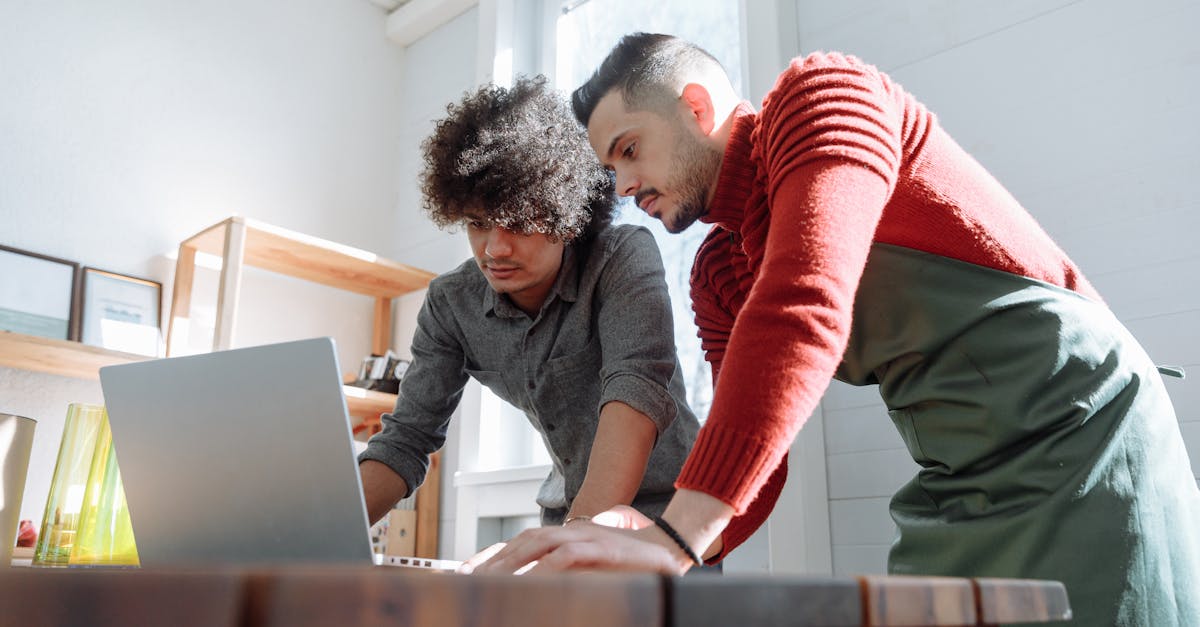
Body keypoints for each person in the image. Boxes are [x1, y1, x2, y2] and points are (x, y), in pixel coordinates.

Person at [468, 33, 1200, 626]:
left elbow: (804, 301)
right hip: (961, 482)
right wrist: (657, 537)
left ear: (695, 106)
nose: (623, 187)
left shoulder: (821, 98)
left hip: (1086, 431)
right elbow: (762, 456)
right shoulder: (718, 274)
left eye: (629, 149)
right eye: (610, 168)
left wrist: (676, 536)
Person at [358, 75, 700, 533]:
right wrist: (323, 535)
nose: (494, 249)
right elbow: (406, 440)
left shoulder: (620, 258)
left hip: (671, 513)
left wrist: (575, 542)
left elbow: (634, 392)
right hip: (568, 512)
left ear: (567, 215)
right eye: (478, 224)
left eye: (518, 223)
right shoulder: (450, 305)